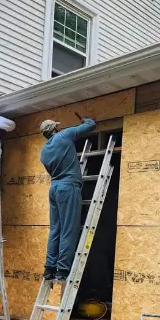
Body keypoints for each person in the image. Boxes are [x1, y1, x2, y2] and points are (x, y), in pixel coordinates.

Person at [40, 116, 96, 281]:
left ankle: (49, 268)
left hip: (54, 188)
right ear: (54, 129)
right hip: (68, 187)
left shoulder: (44, 151)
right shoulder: (64, 136)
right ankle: (63, 270)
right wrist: (85, 119)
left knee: (55, 229)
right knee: (68, 229)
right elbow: (91, 125)